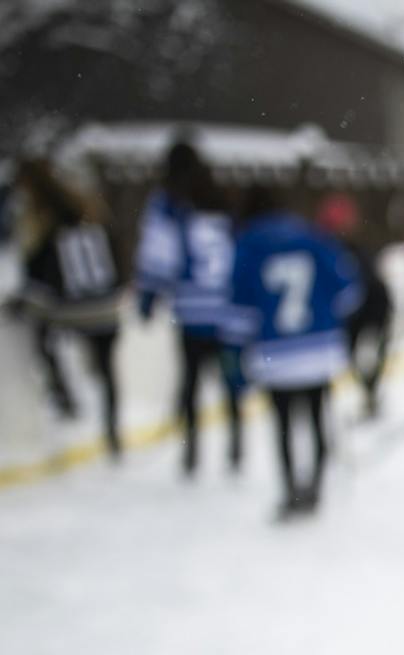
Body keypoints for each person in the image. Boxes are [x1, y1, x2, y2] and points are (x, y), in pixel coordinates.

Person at [223, 184, 361, 520]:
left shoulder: (249, 244)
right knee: (316, 418)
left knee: (283, 424)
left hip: (275, 353)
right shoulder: (312, 237)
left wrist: (236, 350)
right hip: (318, 349)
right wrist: (327, 319)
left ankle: (290, 491)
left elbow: (239, 307)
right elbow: (348, 291)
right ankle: (315, 489)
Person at [136, 136, 246, 477]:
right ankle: (236, 447)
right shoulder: (219, 197)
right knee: (229, 381)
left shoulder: (169, 203)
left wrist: (149, 295)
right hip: (225, 311)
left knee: (191, 381)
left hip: (192, 311)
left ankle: (191, 450)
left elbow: (159, 252)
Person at [8, 156, 124, 459]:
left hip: (73, 308)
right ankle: (113, 434)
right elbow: (117, 254)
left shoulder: (44, 220)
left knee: (41, 335)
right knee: (108, 371)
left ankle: (63, 395)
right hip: (106, 304)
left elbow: (37, 275)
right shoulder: (91, 211)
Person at [316, 190, 393, 421]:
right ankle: (369, 395)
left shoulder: (349, 254)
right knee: (362, 361)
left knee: (366, 360)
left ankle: (370, 396)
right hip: (358, 318)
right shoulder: (338, 253)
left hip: (369, 315)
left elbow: (369, 290)